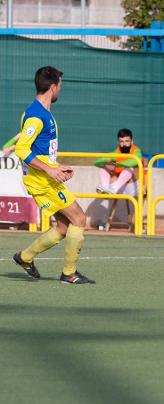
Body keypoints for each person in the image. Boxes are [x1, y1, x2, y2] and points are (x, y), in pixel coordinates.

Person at [12, 66, 94, 284]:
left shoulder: (42, 113)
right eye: (60, 85)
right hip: (42, 181)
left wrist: (57, 165)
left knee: (64, 226)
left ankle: (25, 257)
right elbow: (21, 149)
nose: (60, 90)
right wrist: (49, 170)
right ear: (52, 86)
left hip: (44, 177)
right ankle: (69, 273)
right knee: (78, 218)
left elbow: (40, 150)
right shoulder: (36, 115)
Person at [95, 128, 143, 196]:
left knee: (129, 168)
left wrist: (116, 165)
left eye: (127, 141)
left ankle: (113, 189)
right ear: (118, 142)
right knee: (104, 167)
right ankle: (105, 188)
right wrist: (106, 163)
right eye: (121, 141)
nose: (124, 144)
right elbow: (98, 161)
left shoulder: (136, 151)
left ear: (132, 141)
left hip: (134, 187)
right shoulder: (117, 151)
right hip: (121, 186)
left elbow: (135, 160)